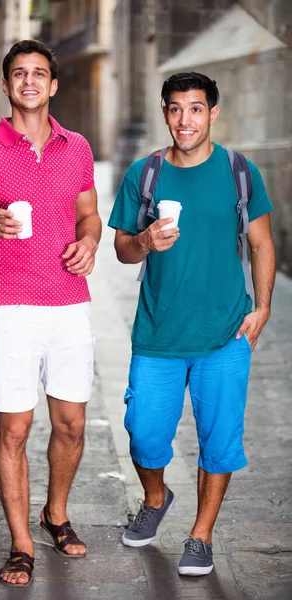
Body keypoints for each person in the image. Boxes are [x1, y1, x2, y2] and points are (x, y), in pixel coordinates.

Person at [0, 40, 101, 587]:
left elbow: (89, 214)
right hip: (9, 305)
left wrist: (90, 242)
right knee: (14, 428)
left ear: (53, 85)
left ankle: (55, 514)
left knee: (72, 425)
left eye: (40, 73)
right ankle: (20, 542)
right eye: (19, 73)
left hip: (68, 303)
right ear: (6, 85)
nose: (30, 81)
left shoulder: (77, 146)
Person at [108, 72, 275, 576]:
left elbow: (263, 243)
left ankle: (200, 535)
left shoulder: (240, 171)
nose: (186, 119)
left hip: (223, 334)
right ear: (165, 113)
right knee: (143, 435)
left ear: (213, 113)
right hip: (157, 334)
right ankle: (156, 498)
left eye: (196, 109)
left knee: (219, 440)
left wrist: (262, 307)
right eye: (176, 109)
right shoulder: (146, 173)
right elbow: (119, 249)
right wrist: (143, 242)